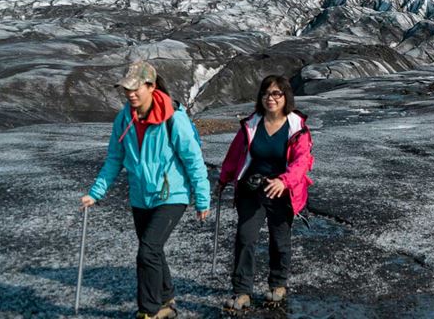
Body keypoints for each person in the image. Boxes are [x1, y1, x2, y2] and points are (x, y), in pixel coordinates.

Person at [80, 61, 211, 319]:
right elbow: (114, 159)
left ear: (150, 86)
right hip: (140, 196)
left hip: (172, 195)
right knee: (153, 249)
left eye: (135, 88)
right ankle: (166, 298)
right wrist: (96, 192)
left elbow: (194, 160)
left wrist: (202, 198)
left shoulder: (174, 118)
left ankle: (148, 311)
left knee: (148, 250)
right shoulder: (124, 118)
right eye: (126, 89)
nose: (129, 94)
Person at [217, 75, 314, 310]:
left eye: (276, 94)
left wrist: (284, 181)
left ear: (285, 97)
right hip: (253, 190)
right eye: (266, 93)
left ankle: (278, 284)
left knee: (279, 241)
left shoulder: (297, 128)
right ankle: (242, 291)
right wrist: (224, 178)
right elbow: (234, 154)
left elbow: (303, 161)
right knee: (245, 238)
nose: (270, 98)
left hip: (282, 193)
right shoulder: (252, 124)